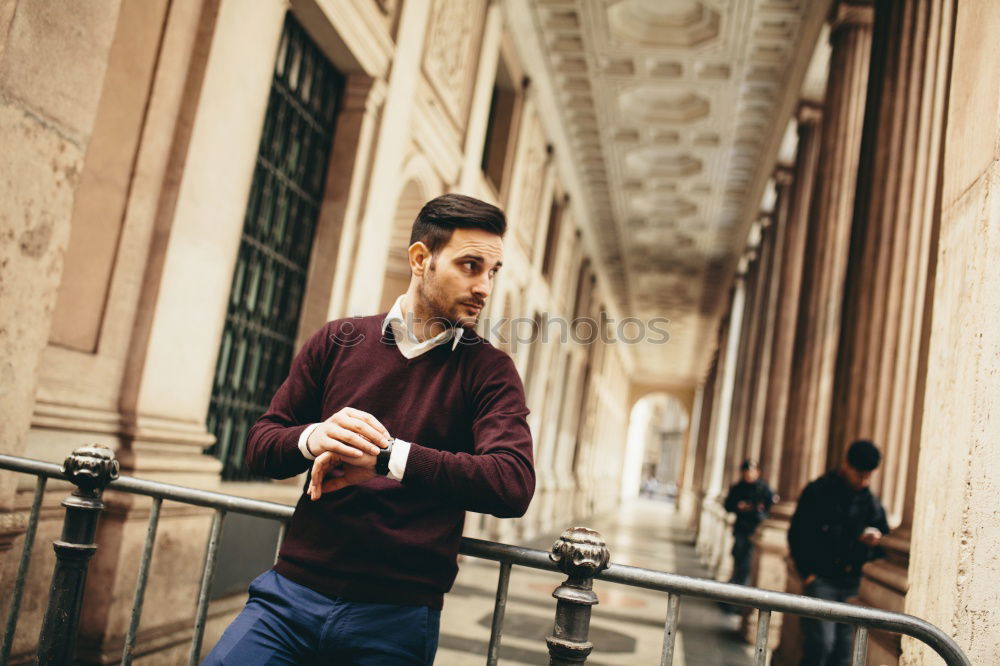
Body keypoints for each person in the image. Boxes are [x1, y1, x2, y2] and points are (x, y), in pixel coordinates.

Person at [203, 194, 535, 665]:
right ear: (421, 259)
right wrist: (313, 437)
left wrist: (386, 457)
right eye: (469, 265)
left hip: (397, 618)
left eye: (492, 272)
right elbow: (259, 444)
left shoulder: (490, 370)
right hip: (289, 595)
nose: (484, 286)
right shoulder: (338, 340)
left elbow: (512, 483)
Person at [788, 439, 890, 666]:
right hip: (822, 579)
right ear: (846, 464)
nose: (864, 481)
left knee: (845, 653)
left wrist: (876, 539)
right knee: (820, 645)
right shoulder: (818, 491)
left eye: (868, 476)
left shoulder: (871, 502)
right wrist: (808, 574)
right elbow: (798, 534)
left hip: (852, 583)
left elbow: (885, 538)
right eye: (860, 474)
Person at [723, 459, 776, 588]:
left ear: (757, 472)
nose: (749, 475)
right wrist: (738, 506)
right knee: (739, 559)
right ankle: (734, 594)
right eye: (747, 472)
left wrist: (759, 510)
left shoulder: (763, 488)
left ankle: (740, 595)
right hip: (741, 529)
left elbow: (771, 507)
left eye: (752, 472)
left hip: (755, 529)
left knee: (748, 565)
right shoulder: (738, 488)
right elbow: (727, 505)